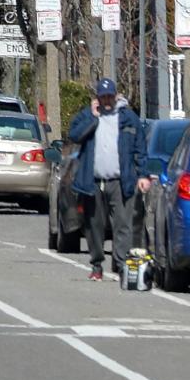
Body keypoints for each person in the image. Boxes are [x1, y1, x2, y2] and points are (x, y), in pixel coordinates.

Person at [66, 78, 147, 281]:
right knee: (94, 225)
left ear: (115, 95)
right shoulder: (87, 115)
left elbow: (140, 147)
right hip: (93, 182)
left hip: (120, 181)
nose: (107, 100)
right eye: (103, 97)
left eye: (110, 96)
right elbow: (74, 135)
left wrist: (144, 175)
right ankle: (96, 264)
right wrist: (93, 119)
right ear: (97, 98)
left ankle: (120, 265)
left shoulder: (128, 118)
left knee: (123, 225)